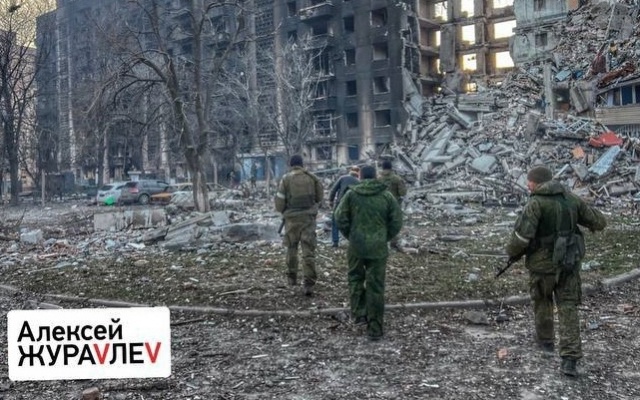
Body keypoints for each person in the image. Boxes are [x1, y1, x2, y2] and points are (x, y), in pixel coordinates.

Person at [505, 165, 606, 377]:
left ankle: (546, 343)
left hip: (542, 266)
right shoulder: (571, 199)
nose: (527, 185)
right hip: (569, 263)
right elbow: (598, 222)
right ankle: (570, 360)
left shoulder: (535, 203)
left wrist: (511, 253)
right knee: (568, 307)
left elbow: (521, 237)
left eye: (529, 181)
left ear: (536, 182)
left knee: (542, 301)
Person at [335, 165, 403, 341]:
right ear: (375, 177)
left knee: (355, 279)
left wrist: (350, 235)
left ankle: (359, 314)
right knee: (376, 286)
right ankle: (375, 329)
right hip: (378, 247)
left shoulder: (351, 194)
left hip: (356, 246)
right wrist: (385, 236)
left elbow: (339, 217)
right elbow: (397, 220)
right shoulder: (386, 195)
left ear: (360, 177)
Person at [275, 154, 324, 296]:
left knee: (292, 248)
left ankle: (292, 278)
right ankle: (309, 283)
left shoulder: (286, 179)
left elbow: (279, 203)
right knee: (308, 251)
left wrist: (285, 212)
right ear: (302, 164)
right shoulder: (312, 178)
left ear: (291, 165)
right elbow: (319, 198)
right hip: (308, 219)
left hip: (291, 220)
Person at [378, 159, 407, 250]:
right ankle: (393, 243)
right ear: (391, 168)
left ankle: (381, 243)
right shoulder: (397, 179)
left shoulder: (378, 179)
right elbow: (403, 192)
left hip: (381, 205)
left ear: (382, 168)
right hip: (394, 205)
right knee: (394, 224)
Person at [328, 166, 360, 248]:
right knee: (352, 223)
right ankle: (352, 241)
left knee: (335, 221)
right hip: (352, 205)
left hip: (340, 203)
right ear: (358, 172)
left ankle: (335, 242)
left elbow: (333, 190)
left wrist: (331, 201)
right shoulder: (359, 182)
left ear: (350, 171)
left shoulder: (343, 178)